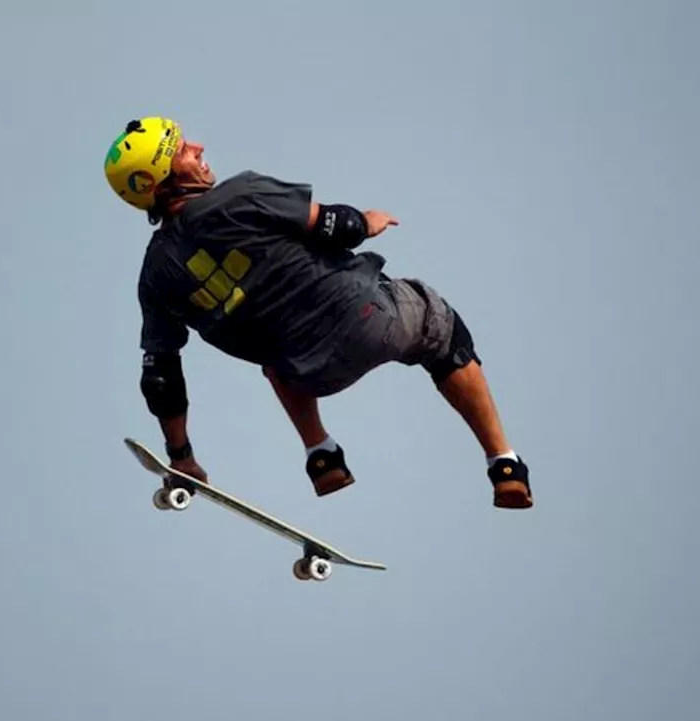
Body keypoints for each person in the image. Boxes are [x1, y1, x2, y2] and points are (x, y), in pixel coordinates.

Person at [104, 116, 532, 509]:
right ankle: (504, 464)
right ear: (160, 180)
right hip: (372, 320)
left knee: (274, 353)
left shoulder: (155, 275)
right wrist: (368, 220)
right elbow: (337, 227)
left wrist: (182, 457)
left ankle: (322, 456)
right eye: (181, 150)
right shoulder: (240, 194)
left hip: (308, 373)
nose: (196, 147)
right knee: (441, 326)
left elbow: (160, 377)